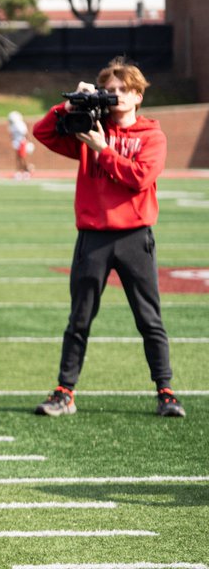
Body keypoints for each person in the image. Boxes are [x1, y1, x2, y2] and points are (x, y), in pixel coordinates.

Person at [31, 58, 185, 419]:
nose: (114, 96)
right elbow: (43, 133)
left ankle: (166, 392)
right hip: (93, 237)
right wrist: (70, 105)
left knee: (150, 319)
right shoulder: (89, 128)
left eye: (121, 90)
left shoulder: (151, 135)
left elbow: (140, 178)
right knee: (80, 319)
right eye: (108, 89)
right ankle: (64, 392)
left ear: (137, 95)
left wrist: (104, 150)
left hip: (135, 236)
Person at [8, 111, 35, 180]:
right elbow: (12, 135)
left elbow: (25, 133)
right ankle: (20, 171)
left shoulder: (20, 124)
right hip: (16, 143)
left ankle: (26, 171)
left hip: (22, 142)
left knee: (23, 158)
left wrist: (28, 142)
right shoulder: (11, 126)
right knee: (18, 158)